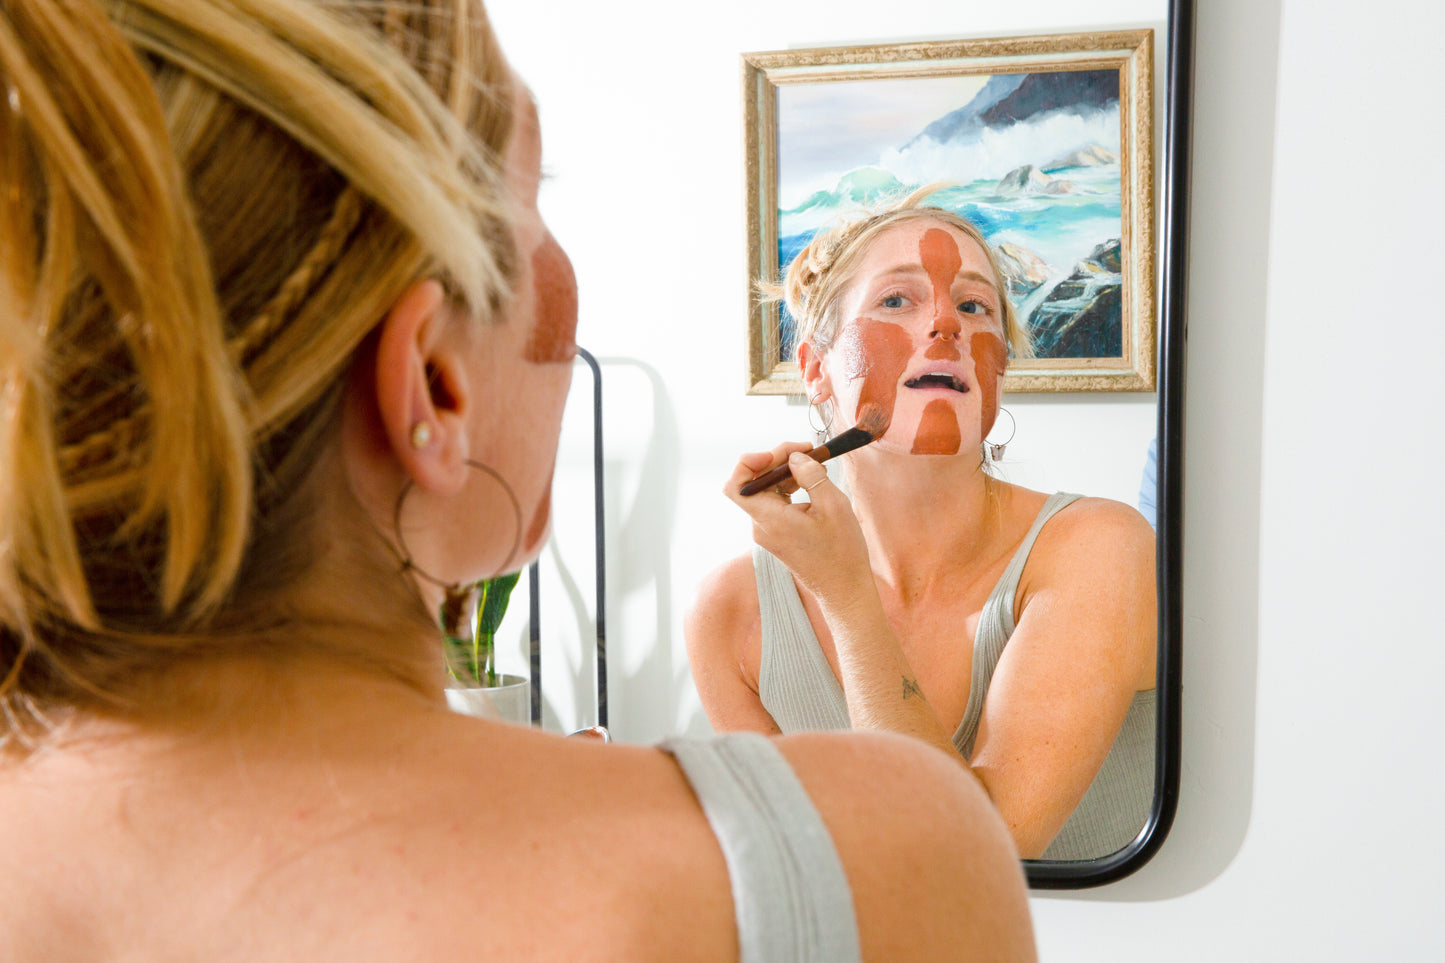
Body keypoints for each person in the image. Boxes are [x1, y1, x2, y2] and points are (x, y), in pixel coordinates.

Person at [0, 1, 1036, 958]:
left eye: (974, 307)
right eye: (533, 198)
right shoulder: (876, 848)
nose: (943, 326)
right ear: (433, 388)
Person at [687, 191, 1158, 861]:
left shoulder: (1099, 548)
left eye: (973, 307)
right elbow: (786, 876)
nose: (945, 323)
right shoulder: (730, 615)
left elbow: (972, 851)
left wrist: (848, 597)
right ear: (815, 369)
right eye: (896, 301)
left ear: (997, 364)